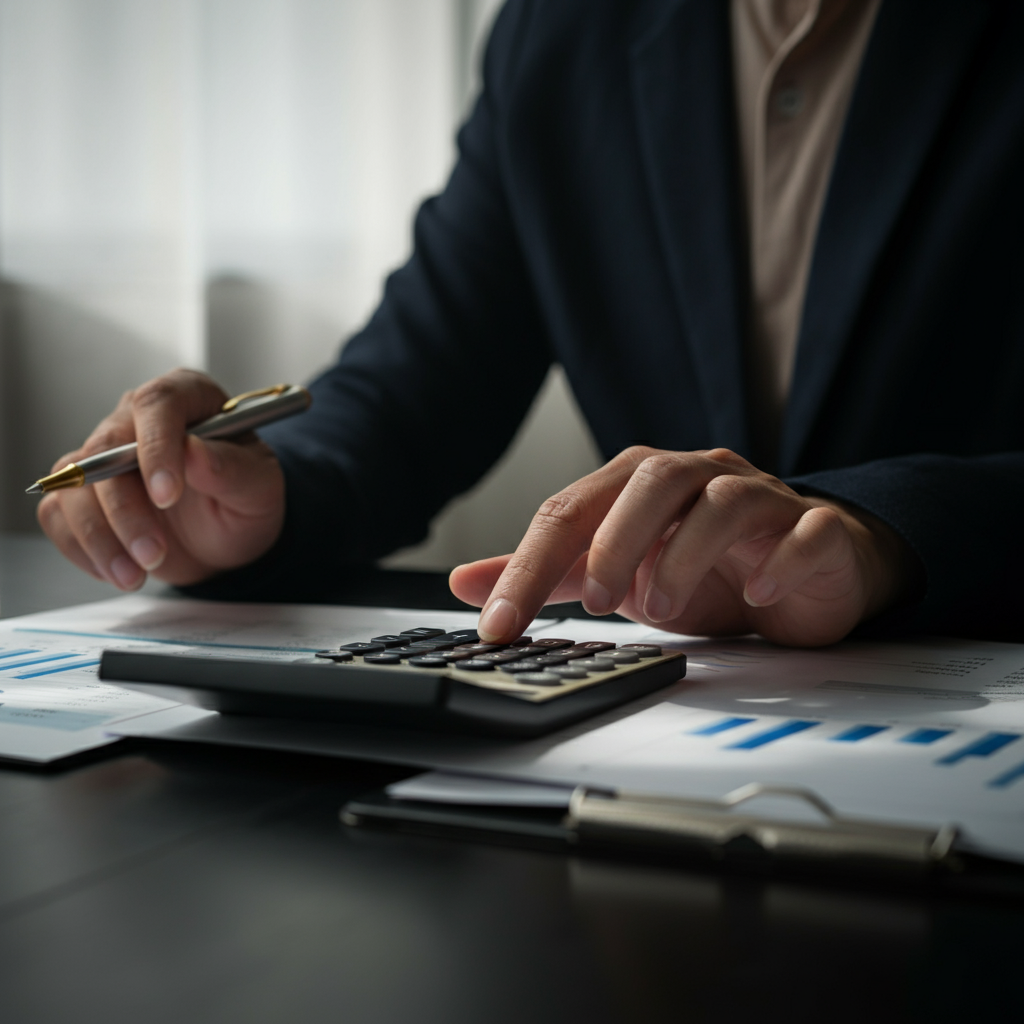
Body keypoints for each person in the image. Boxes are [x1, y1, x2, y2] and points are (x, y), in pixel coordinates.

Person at [37, 0, 1024, 646]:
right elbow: (410, 389)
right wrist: (250, 495)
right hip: (677, 746)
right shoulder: (563, 35)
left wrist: (880, 533)